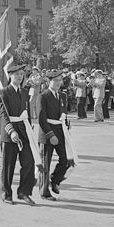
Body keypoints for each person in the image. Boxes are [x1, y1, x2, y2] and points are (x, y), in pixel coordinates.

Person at [0, 64, 37, 206]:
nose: (19, 77)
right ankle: (6, 193)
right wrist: (11, 131)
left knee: (28, 162)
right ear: (10, 76)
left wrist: (30, 130)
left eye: (21, 74)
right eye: (16, 74)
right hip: (10, 133)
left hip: (24, 130)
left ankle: (24, 192)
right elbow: (2, 115)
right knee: (8, 165)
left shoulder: (25, 92)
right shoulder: (4, 92)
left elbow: (26, 114)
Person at [37, 70, 72, 201]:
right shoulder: (43, 96)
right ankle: (44, 191)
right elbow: (41, 118)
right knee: (45, 163)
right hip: (48, 133)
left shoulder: (62, 96)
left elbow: (63, 114)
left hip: (61, 131)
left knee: (67, 159)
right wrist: (50, 134)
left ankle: (55, 179)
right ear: (48, 81)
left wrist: (67, 128)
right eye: (55, 80)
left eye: (59, 80)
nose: (58, 83)